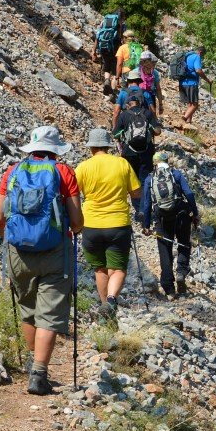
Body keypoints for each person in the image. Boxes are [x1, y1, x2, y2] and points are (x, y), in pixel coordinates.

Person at [0, 126, 84, 395]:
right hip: (55, 250)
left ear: (30, 147)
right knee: (49, 312)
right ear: (55, 149)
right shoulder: (63, 171)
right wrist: (70, 231)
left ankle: (34, 362)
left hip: (18, 251)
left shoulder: (12, 172)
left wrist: (9, 237)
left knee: (28, 308)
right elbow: (77, 221)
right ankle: (39, 374)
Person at [75, 128, 141, 322]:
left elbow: (71, 192)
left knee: (100, 269)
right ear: (108, 146)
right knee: (118, 269)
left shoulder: (83, 167)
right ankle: (111, 301)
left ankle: (106, 314)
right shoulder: (122, 164)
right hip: (118, 223)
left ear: (91, 148)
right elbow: (136, 192)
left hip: (91, 224)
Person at [141, 152, 199, 298]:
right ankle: (181, 271)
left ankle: (169, 288)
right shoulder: (176, 174)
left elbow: (147, 203)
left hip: (161, 219)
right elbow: (189, 194)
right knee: (184, 244)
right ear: (167, 161)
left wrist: (146, 225)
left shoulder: (150, 179)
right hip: (181, 215)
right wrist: (194, 212)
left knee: (164, 250)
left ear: (155, 164)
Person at [113, 83, 162, 196]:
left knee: (132, 180)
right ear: (140, 103)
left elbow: (115, 134)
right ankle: (145, 205)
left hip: (129, 152)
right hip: (146, 151)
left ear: (128, 104)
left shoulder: (124, 115)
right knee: (145, 179)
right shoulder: (148, 113)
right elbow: (158, 131)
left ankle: (136, 204)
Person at [92, 11, 124, 96]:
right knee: (114, 70)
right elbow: (121, 38)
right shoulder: (121, 24)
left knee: (106, 65)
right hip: (114, 48)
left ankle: (106, 81)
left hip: (103, 46)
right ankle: (112, 92)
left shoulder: (105, 21)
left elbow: (98, 36)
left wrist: (94, 51)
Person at [179, 45, 210, 126]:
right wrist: (207, 80)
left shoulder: (187, 56)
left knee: (190, 103)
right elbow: (198, 70)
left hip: (182, 83)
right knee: (195, 105)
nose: (202, 57)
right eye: (202, 55)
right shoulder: (197, 57)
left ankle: (189, 122)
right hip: (191, 83)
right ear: (200, 52)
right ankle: (184, 119)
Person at [137, 51, 163, 118]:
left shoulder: (136, 71)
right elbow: (158, 89)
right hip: (145, 95)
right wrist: (160, 104)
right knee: (151, 115)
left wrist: (160, 104)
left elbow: (158, 89)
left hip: (140, 95)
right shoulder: (154, 73)